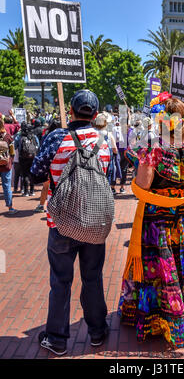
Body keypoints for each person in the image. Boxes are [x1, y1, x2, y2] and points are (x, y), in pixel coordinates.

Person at [118, 92, 184, 349]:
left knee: (163, 269)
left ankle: (164, 320)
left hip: (161, 221)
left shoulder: (153, 149)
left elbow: (143, 184)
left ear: (161, 120)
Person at [31, 90, 111, 356]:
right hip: (94, 222)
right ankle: (98, 332)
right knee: (93, 278)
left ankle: (56, 339)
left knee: (61, 281)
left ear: (72, 112)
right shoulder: (104, 141)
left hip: (61, 223)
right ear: (95, 115)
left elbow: (36, 174)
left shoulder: (56, 138)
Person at [34, 119, 61, 213]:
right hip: (59, 164)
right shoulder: (63, 136)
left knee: (46, 186)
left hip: (47, 164)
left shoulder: (46, 136)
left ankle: (42, 205)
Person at [15, 123, 39, 197]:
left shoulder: (19, 136)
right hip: (33, 157)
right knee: (32, 173)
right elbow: (38, 146)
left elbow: (16, 146)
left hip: (23, 158)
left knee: (24, 174)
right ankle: (32, 191)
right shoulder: (34, 136)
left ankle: (25, 192)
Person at [0, 119, 18, 214]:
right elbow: (12, 152)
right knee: (6, 186)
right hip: (5, 165)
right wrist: (10, 162)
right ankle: (10, 208)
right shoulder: (7, 137)